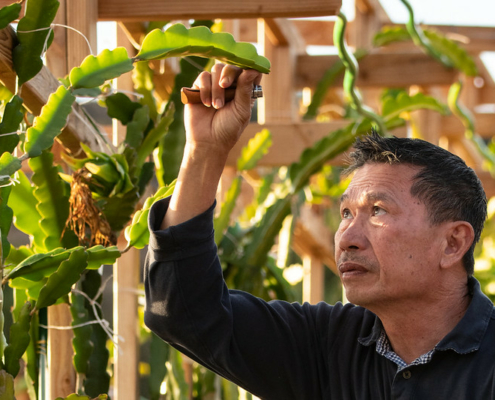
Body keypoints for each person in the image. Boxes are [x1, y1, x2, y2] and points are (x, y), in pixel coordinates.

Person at [144, 64, 495, 399]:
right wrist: (204, 151)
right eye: (345, 212)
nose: (346, 238)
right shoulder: (324, 345)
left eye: (377, 210)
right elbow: (183, 310)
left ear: (453, 243)